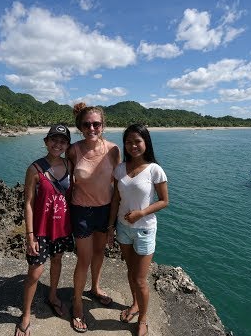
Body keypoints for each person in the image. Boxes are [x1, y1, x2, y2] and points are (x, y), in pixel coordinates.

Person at [108, 124, 169, 336]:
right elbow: (115, 199)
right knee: (131, 272)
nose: (133, 145)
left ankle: (143, 319)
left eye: (137, 141)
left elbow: (164, 201)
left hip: (144, 229)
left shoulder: (155, 169)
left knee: (141, 279)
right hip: (123, 229)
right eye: (129, 142)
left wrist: (141, 213)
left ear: (146, 143)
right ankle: (135, 304)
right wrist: (110, 228)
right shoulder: (120, 169)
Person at [15, 124, 74, 336]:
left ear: (67, 145)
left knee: (57, 261)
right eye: (54, 140)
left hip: (61, 228)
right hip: (40, 230)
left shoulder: (70, 165)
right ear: (46, 142)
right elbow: (28, 203)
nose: (58, 144)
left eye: (63, 141)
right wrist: (29, 235)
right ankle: (26, 314)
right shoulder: (34, 169)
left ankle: (52, 296)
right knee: (35, 272)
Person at [67, 102, 121, 333]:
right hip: (81, 211)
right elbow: (65, 181)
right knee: (84, 259)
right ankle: (77, 302)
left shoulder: (113, 149)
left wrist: (115, 219)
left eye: (96, 124)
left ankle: (95, 288)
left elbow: (118, 184)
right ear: (80, 126)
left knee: (100, 253)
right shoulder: (74, 150)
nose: (92, 128)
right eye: (87, 124)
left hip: (105, 209)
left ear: (103, 125)